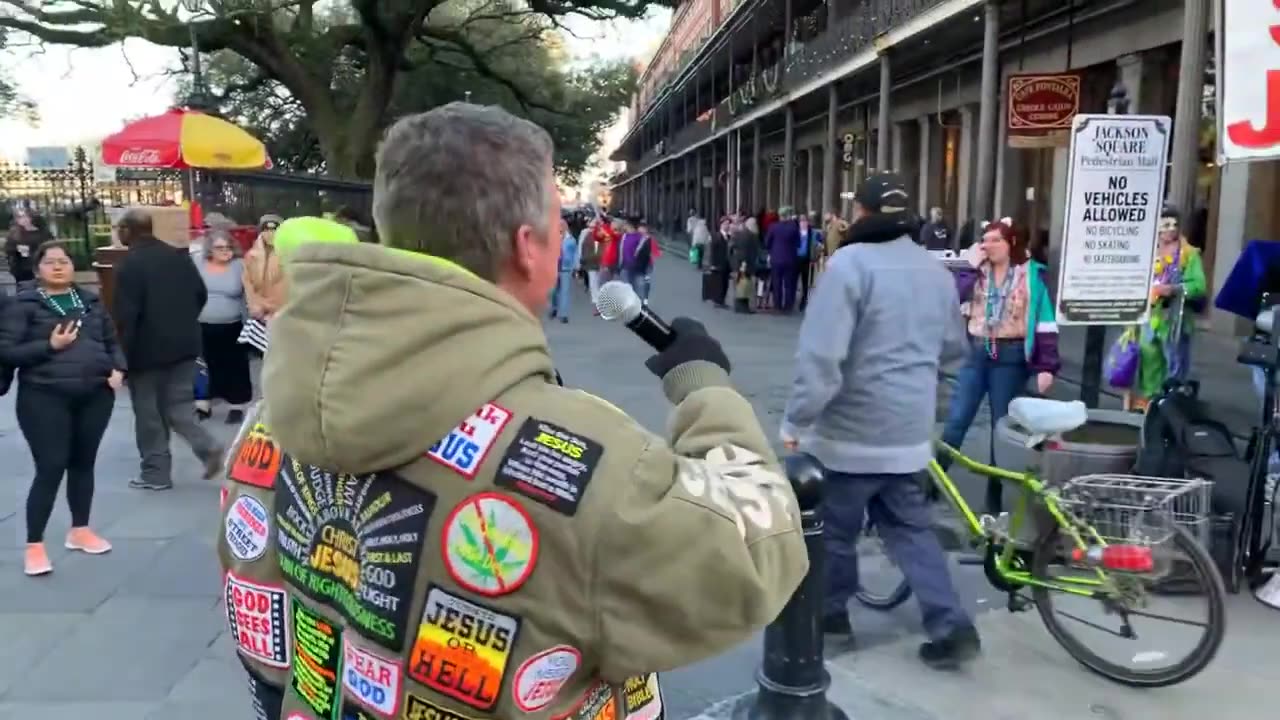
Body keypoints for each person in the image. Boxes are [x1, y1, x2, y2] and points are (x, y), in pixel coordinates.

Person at [215, 103, 807, 719]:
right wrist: (706, 388)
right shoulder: (589, 465)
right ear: (529, 248)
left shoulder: (269, 419)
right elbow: (755, 556)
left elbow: (260, 623)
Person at [780, 173, 979, 669]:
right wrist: (929, 409)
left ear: (863, 213)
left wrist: (796, 421)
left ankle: (831, 619)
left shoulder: (849, 266)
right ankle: (949, 622)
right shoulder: (935, 273)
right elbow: (955, 355)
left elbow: (822, 356)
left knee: (835, 531)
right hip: (909, 435)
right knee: (912, 530)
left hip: (851, 432)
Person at [0, 241, 124, 576]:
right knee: (52, 465)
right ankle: (34, 545)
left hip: (95, 393)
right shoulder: (24, 304)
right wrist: (49, 345)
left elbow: (111, 340)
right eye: (50, 262)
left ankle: (80, 530)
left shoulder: (90, 301)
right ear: (38, 269)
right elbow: (7, 352)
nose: (58, 266)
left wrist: (118, 368)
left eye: (64, 261)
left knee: (84, 463)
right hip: (44, 396)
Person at [941, 219, 1060, 513]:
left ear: (1011, 244)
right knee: (956, 421)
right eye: (984, 240)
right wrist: (970, 267)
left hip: (1011, 355)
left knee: (1000, 427)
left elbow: (1045, 322)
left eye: (995, 240)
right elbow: (953, 297)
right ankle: (933, 482)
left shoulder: (1030, 276)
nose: (987, 245)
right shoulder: (977, 273)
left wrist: (1047, 366)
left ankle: (994, 495)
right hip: (978, 351)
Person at [113, 209, 224, 490]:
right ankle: (209, 448)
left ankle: (155, 473)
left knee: (149, 414)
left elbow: (127, 317)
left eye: (119, 228)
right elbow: (200, 294)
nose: (117, 233)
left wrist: (121, 359)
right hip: (185, 346)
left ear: (128, 230)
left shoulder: (130, 265)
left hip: (146, 353)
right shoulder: (179, 257)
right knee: (179, 408)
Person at [1126, 204, 1208, 412]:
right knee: (1149, 363)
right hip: (1149, 318)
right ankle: (1149, 406)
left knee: (1175, 366)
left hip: (1175, 321)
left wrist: (1173, 288)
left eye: (1175, 224)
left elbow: (1199, 286)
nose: (1171, 228)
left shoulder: (1189, 254)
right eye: (1166, 224)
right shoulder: (1147, 251)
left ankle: (1171, 408)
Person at [196, 229, 253, 424]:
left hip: (232, 325)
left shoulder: (240, 265)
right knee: (204, 366)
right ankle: (203, 405)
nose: (225, 251)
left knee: (235, 367)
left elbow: (250, 291)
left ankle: (236, 406)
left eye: (228, 247)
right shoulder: (198, 263)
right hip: (202, 324)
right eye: (219, 247)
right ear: (210, 249)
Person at [242, 214, 285, 324]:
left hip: (280, 314)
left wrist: (272, 308)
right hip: (257, 313)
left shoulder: (288, 256)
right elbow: (248, 284)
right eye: (266, 230)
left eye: (274, 230)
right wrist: (255, 306)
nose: (270, 234)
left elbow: (287, 286)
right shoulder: (251, 256)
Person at [5, 210, 51, 285]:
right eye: (20, 217)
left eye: (25, 217)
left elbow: (49, 247)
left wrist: (33, 251)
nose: (23, 219)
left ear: (32, 218)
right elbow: (8, 249)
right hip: (20, 268)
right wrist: (17, 250)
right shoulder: (14, 233)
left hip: (39, 266)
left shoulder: (43, 234)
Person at [549, 218, 578, 323]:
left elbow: (576, 253)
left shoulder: (571, 240)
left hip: (566, 268)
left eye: (562, 226)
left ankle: (564, 314)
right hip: (554, 268)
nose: (560, 228)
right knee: (553, 291)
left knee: (565, 291)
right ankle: (554, 308)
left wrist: (576, 266)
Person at [731, 217, 761, 314]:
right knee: (744, 286)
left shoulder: (740, 234)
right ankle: (743, 307)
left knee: (740, 285)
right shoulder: (750, 236)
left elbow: (733, 247)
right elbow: (748, 251)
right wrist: (744, 263)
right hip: (746, 264)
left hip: (739, 263)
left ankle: (738, 306)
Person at [578, 218, 602, 309]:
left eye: (593, 227)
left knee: (599, 282)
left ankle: (601, 300)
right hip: (590, 262)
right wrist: (581, 259)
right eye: (590, 227)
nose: (591, 229)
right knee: (593, 282)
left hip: (600, 262)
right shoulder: (585, 234)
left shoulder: (602, 234)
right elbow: (581, 246)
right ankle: (596, 302)